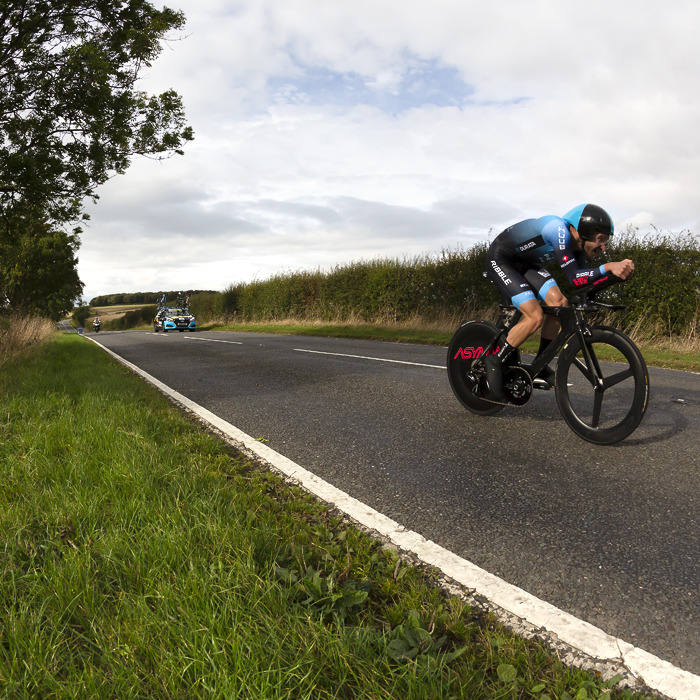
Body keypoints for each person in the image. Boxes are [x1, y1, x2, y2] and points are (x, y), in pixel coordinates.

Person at [483, 203, 634, 400]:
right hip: (502, 259)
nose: (603, 247)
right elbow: (574, 277)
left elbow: (582, 283)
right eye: (600, 239)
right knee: (535, 316)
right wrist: (608, 267)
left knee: (559, 304)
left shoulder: (578, 247)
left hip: (526, 263)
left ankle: (541, 363)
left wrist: (615, 276)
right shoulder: (558, 230)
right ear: (584, 231)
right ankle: (494, 360)